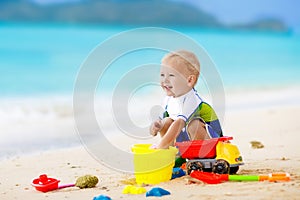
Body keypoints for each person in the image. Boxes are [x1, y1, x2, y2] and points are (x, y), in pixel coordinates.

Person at [150, 50, 223, 149]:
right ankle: (170, 152)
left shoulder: (192, 100)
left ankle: (200, 156)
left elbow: (179, 124)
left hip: (211, 143)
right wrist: (155, 126)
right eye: (162, 75)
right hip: (186, 141)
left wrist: (160, 146)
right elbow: (160, 121)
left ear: (189, 80)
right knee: (166, 121)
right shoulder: (168, 100)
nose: (165, 80)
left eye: (171, 75)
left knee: (194, 125)